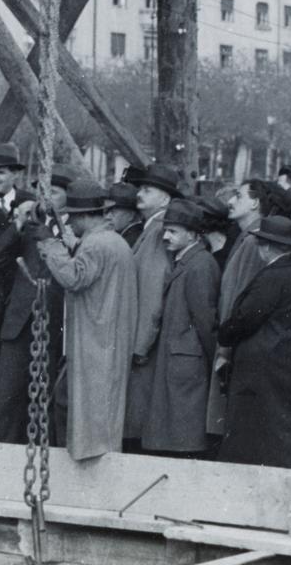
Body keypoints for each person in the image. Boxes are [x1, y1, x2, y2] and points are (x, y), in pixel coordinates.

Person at [36, 178, 138, 460]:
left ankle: (89, 471)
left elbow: (73, 277)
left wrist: (49, 243)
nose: (69, 223)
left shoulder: (95, 245)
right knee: (102, 410)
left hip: (96, 340)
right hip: (111, 338)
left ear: (83, 216)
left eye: (72, 217)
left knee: (87, 410)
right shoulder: (113, 241)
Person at [218, 215, 291, 469]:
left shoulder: (273, 276)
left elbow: (246, 318)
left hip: (263, 371)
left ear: (267, 246)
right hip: (290, 368)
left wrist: (224, 333)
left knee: (252, 438)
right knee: (281, 435)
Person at [143, 198, 220, 456]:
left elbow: (206, 321)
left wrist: (210, 359)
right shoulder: (188, 261)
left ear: (193, 234)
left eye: (173, 231)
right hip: (182, 359)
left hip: (188, 362)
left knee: (183, 435)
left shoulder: (200, 265)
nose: (166, 236)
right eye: (165, 230)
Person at [0, 188, 66, 444]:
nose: (47, 197)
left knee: (45, 401)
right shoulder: (30, 227)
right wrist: (19, 223)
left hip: (53, 327)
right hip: (19, 325)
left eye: (54, 191)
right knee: (7, 400)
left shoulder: (73, 231)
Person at [124, 161, 182, 446]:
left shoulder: (158, 231)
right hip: (143, 340)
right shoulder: (152, 229)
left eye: (148, 189)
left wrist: (139, 345)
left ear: (166, 198)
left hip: (143, 345)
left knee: (137, 418)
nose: (140, 193)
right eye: (141, 188)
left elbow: (151, 290)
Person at [206, 178, 269, 438]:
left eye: (239, 196)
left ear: (255, 203)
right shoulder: (246, 238)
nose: (231, 202)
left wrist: (226, 348)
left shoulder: (255, 242)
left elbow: (243, 299)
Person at [106, 181, 144, 247]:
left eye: (113, 212)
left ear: (130, 216)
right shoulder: (134, 235)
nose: (107, 217)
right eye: (107, 212)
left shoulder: (127, 242)